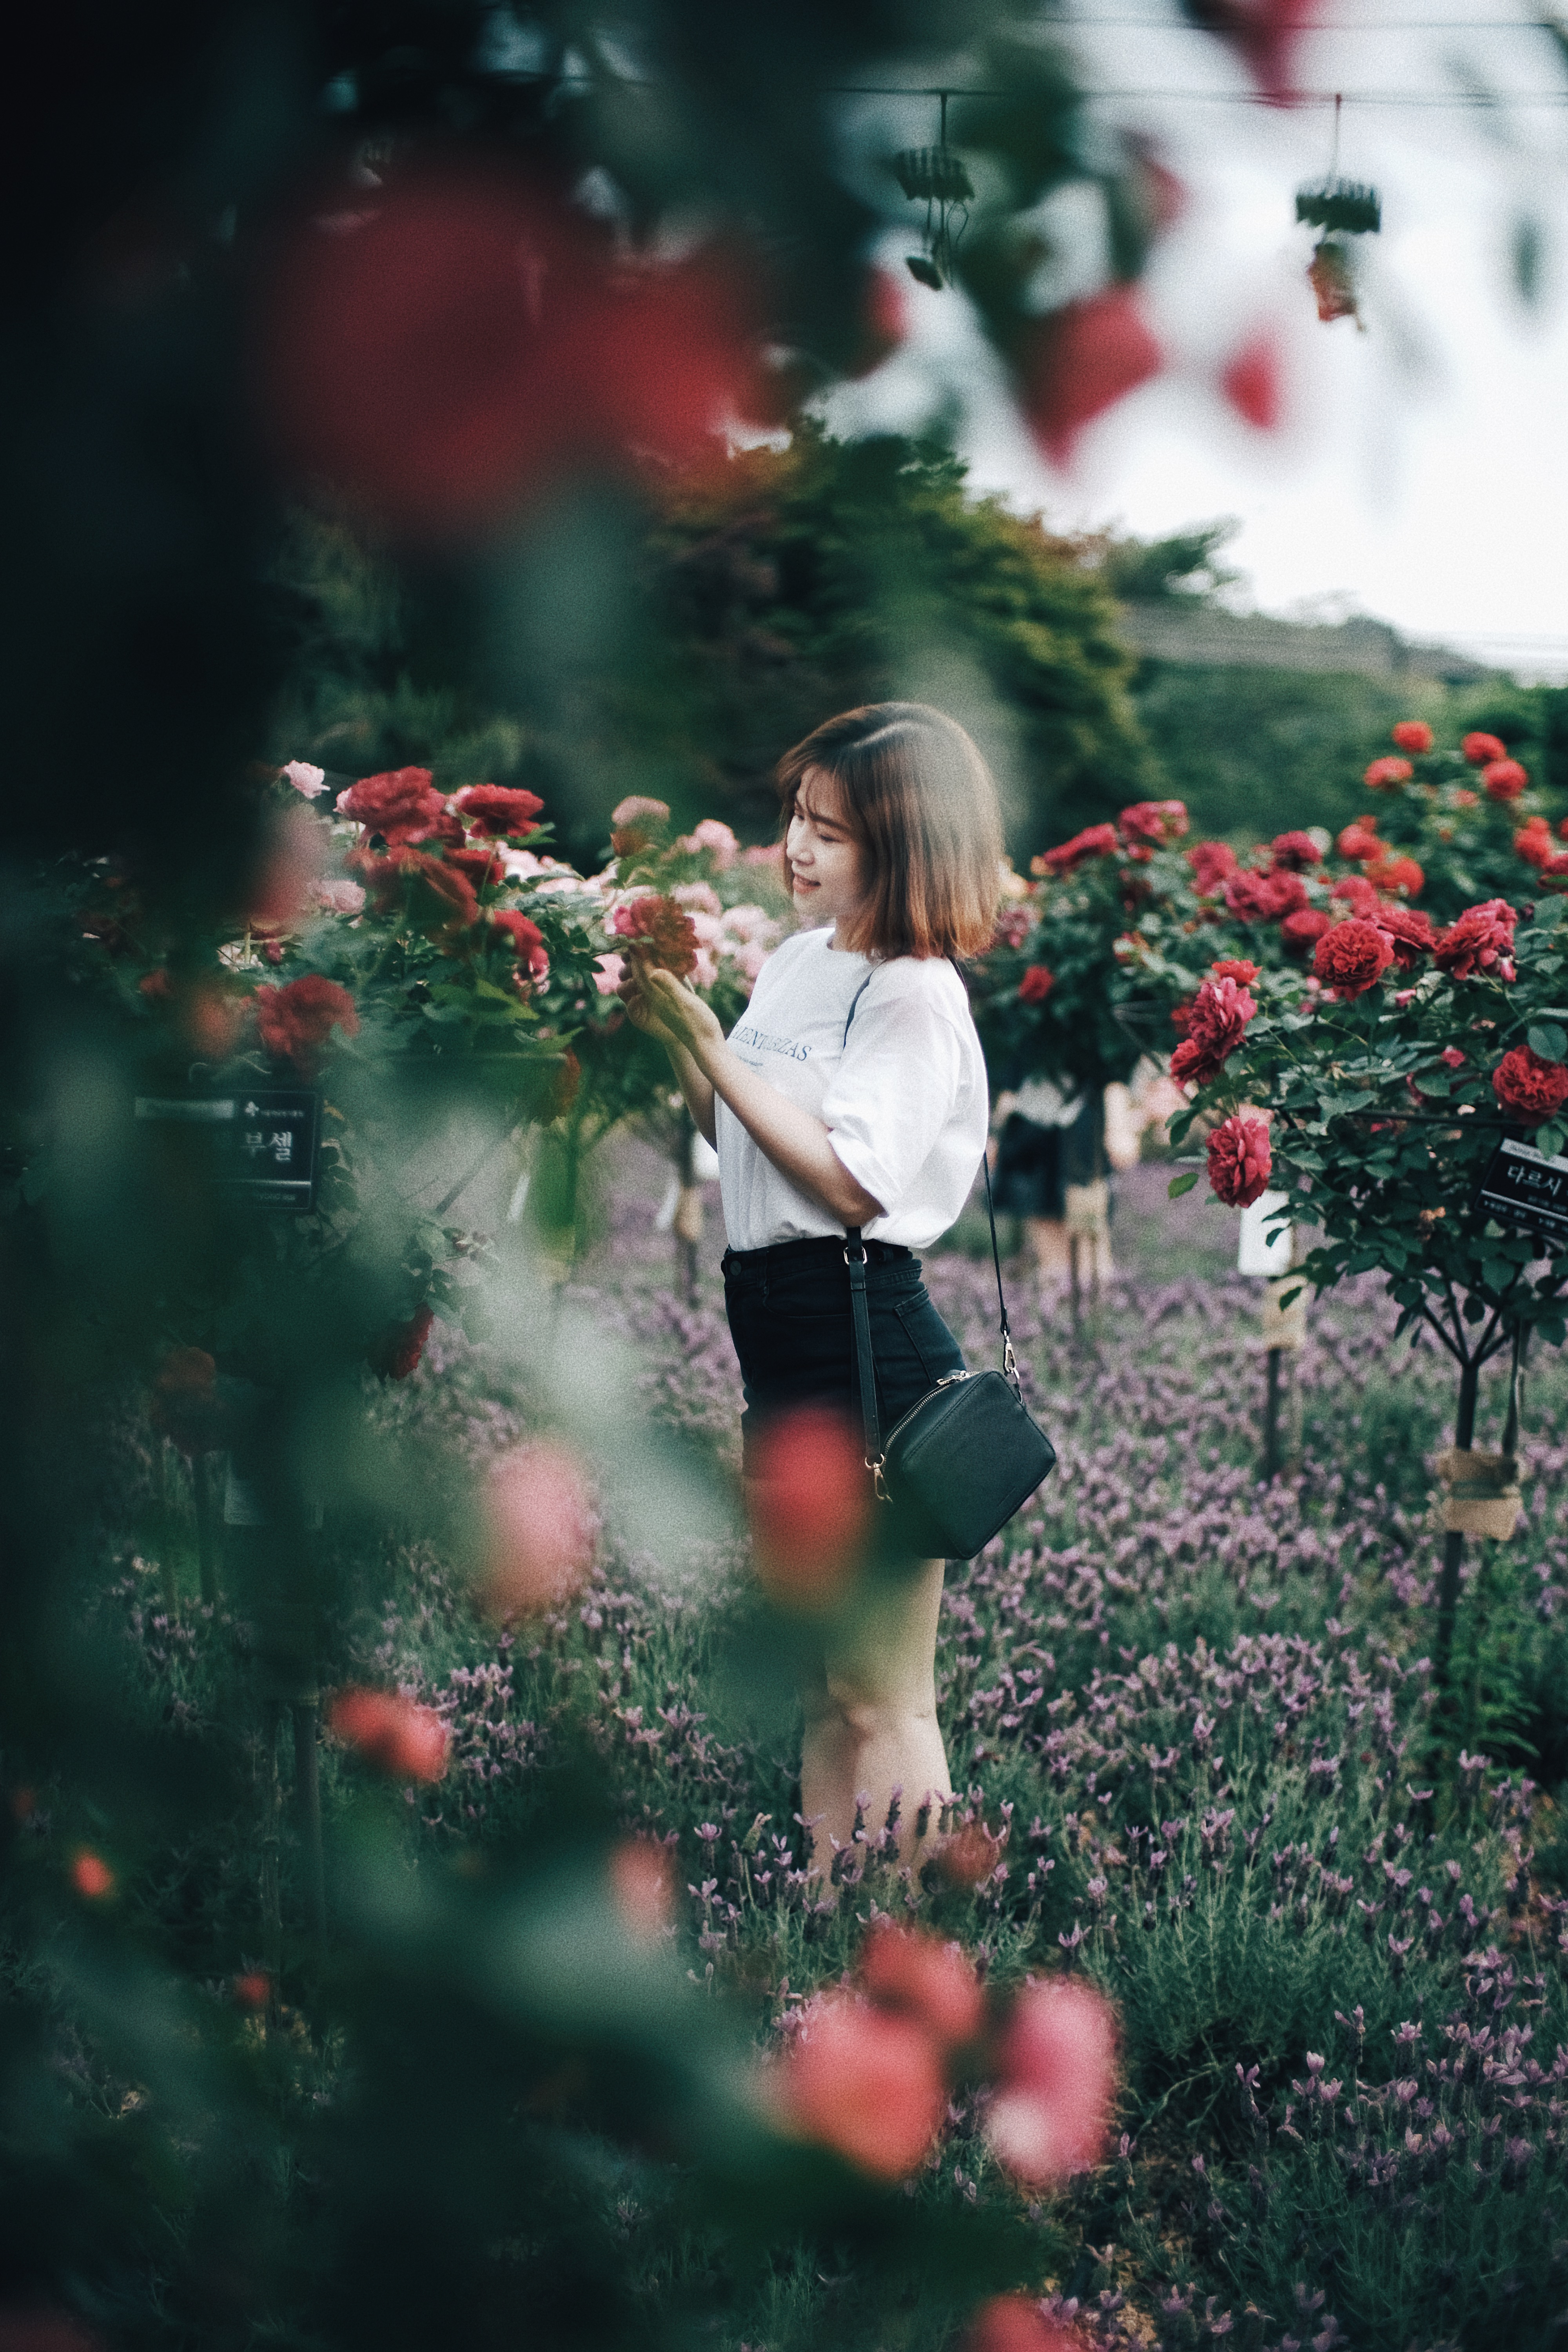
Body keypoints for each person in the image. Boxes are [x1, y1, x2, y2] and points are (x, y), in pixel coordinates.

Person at [620, 703, 1001, 1874]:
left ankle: (912, 1949)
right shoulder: (796, 961)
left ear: (905, 848)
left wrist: (717, 1050)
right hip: (781, 1336)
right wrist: (681, 1040)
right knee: (825, 1684)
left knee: (886, 1696)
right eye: (797, 817)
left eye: (830, 833)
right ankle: (825, 1933)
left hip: (865, 1344)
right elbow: (735, 1138)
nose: (796, 846)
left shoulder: (914, 993)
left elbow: (849, 1182)